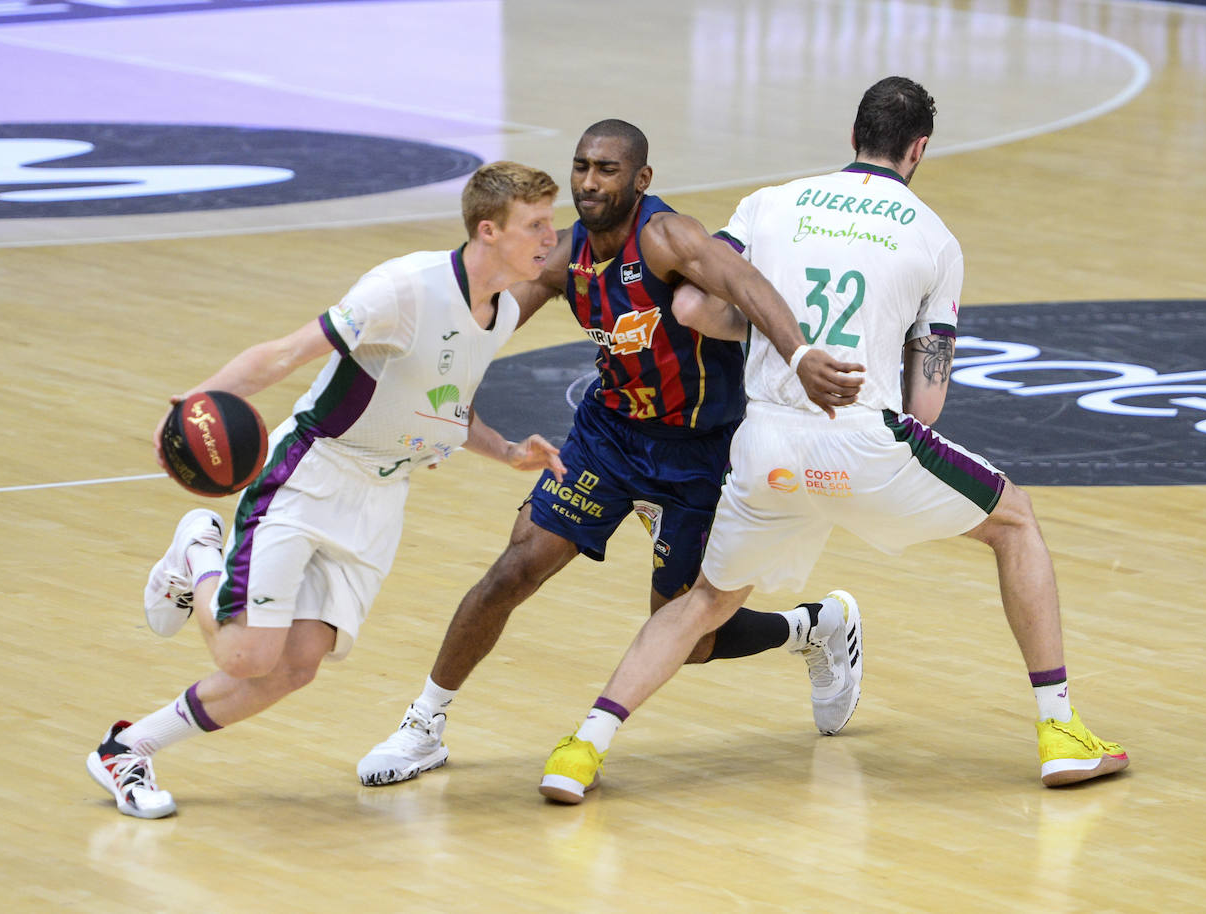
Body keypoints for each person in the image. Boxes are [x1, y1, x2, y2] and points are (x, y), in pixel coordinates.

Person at [539, 78, 1129, 804]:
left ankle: (580, 748)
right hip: (860, 442)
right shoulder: (935, 237)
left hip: (765, 447)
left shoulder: (770, 202)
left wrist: (777, 344)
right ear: (918, 149)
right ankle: (1060, 731)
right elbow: (927, 401)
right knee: (1014, 521)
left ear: (852, 137)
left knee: (702, 603)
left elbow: (691, 306)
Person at [356, 120, 867, 787]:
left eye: (607, 170)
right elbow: (489, 324)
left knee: (688, 638)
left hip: (699, 451)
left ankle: (816, 626)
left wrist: (798, 355)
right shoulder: (565, 257)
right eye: (582, 167)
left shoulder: (667, 236)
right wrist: (436, 395)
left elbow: (744, 283)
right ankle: (424, 725)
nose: (590, 182)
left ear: (641, 179)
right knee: (513, 570)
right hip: (610, 435)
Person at [85, 161, 569, 819]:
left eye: (551, 220)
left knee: (296, 665)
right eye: (535, 224)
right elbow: (285, 354)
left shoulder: (503, 310)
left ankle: (127, 749)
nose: (551, 235)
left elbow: (445, 408)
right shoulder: (403, 289)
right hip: (312, 475)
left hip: (379, 501)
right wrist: (199, 402)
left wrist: (508, 451)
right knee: (245, 653)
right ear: (489, 229)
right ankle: (198, 551)